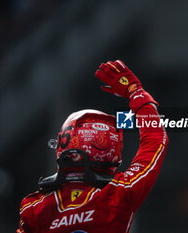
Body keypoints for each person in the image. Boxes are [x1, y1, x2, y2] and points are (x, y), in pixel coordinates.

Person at [17, 60, 168, 233]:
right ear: (110, 149)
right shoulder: (120, 194)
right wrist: (137, 94)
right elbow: (156, 139)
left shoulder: (34, 208)